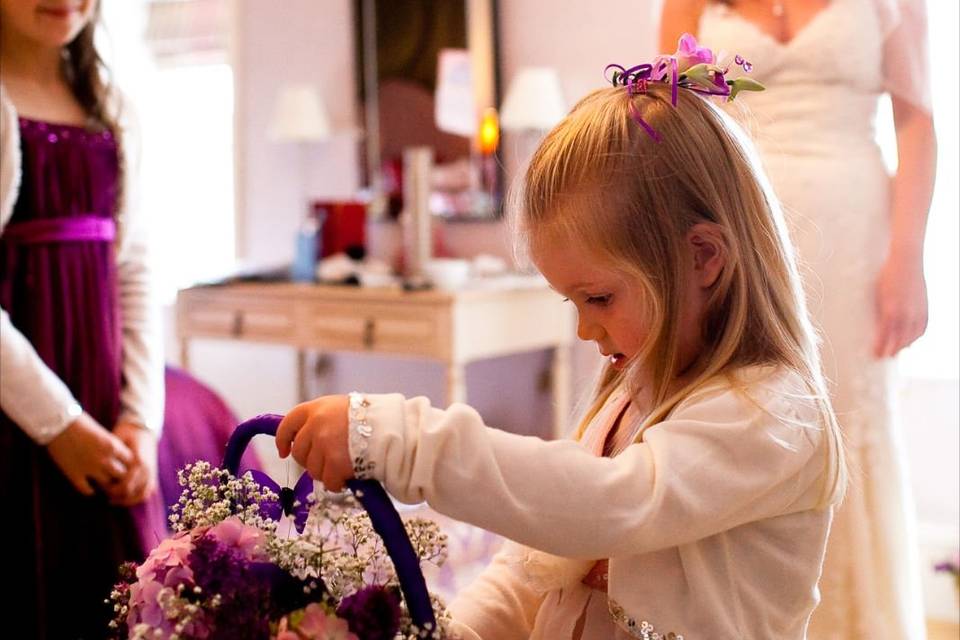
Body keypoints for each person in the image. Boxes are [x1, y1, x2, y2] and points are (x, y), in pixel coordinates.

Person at [275, 37, 846, 639]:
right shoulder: (629, 399)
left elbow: (605, 506)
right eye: (572, 301)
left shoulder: (773, 415)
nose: (584, 328)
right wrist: (450, 631)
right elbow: (532, 573)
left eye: (598, 297)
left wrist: (399, 440)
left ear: (702, 256)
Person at [660, 2, 937, 637]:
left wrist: (908, 257)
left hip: (854, 234)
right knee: (742, 412)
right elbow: (668, 115)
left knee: (846, 419)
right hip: (732, 234)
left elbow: (917, 120)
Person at [0, 0, 165, 637]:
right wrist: (59, 424)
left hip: (102, 402)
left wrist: (140, 417)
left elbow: (137, 267)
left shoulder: (112, 108)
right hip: (20, 409)